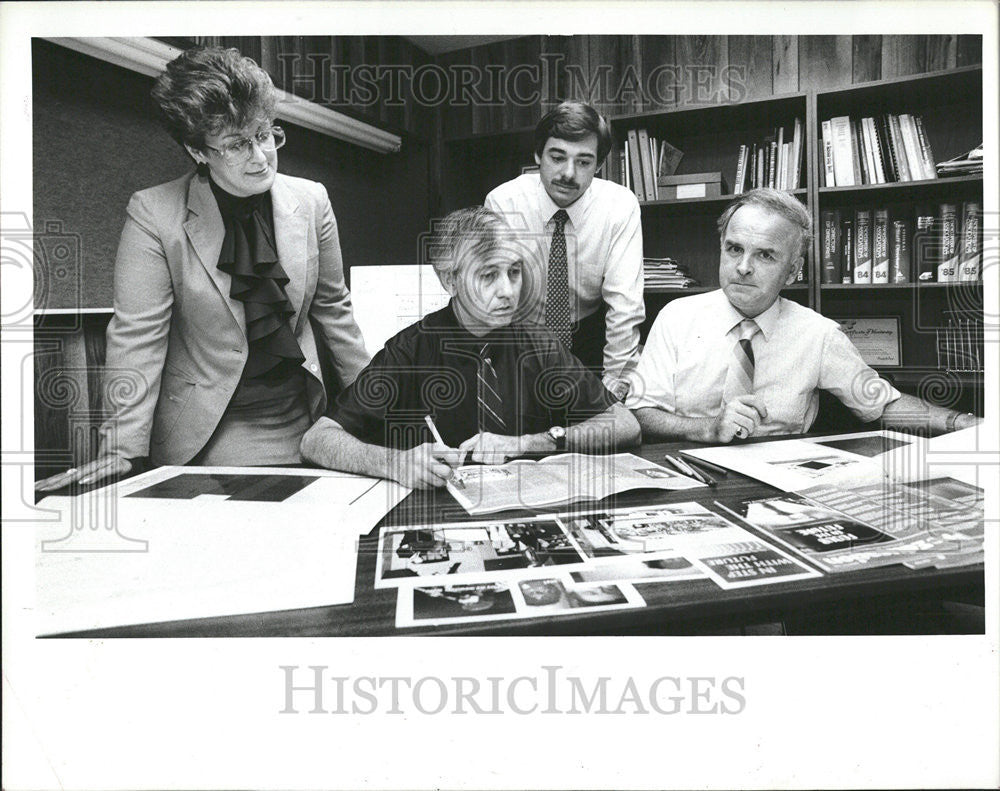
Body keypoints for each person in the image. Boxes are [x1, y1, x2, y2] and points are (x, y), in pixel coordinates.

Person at [36, 46, 370, 491]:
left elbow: (335, 312)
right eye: (236, 145)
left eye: (265, 134)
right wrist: (121, 448)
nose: (260, 156)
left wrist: (377, 410)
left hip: (304, 417)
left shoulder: (311, 201)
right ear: (198, 150)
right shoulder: (153, 213)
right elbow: (138, 337)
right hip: (210, 429)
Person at [300, 207, 641, 489]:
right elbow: (316, 440)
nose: (508, 291)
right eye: (489, 275)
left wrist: (530, 443)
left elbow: (625, 424)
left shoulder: (539, 345)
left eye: (514, 272)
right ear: (450, 280)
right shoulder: (411, 349)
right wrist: (395, 463)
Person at [627, 188, 980, 442]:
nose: (743, 267)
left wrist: (967, 424)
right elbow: (642, 413)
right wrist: (704, 428)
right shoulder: (677, 316)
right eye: (734, 249)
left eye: (765, 256)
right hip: (687, 466)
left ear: (794, 271)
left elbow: (883, 404)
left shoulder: (819, 334)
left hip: (779, 478)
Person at [484, 101, 644, 400]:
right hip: (520, 334)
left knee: (597, 431)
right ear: (537, 155)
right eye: (557, 157)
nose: (568, 173)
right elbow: (493, 295)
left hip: (590, 334)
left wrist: (614, 389)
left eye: (583, 162)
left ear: (598, 166)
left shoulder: (619, 206)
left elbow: (625, 305)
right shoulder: (504, 203)